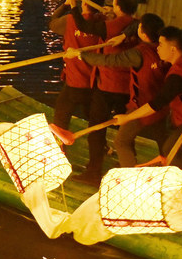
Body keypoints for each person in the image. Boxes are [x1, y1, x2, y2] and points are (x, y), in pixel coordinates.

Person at [69, 12, 167, 167]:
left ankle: (128, 178)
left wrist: (80, 55)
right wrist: (123, 36)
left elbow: (109, 60)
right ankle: (174, 169)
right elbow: (135, 24)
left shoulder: (139, 53)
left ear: (142, 32)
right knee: (165, 144)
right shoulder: (163, 49)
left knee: (121, 141)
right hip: (162, 106)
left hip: (143, 106)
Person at [111, 26, 182, 170]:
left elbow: (156, 104)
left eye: (161, 45)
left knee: (170, 150)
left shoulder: (178, 77)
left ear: (173, 49)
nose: (157, 48)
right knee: (165, 144)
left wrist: (127, 118)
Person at [70, 0, 139, 180]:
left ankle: (93, 171)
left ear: (118, 5)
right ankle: (127, 164)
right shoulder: (137, 26)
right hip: (129, 87)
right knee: (125, 130)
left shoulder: (115, 26)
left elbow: (84, 26)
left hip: (109, 84)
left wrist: (72, 4)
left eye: (115, 0)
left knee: (97, 129)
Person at [50, 0, 106, 131]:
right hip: (95, 82)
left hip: (75, 81)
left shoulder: (70, 20)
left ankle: (60, 144)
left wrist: (67, 4)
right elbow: (99, 11)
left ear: (85, 3)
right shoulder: (104, 21)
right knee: (94, 119)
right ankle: (104, 146)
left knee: (61, 115)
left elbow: (52, 23)